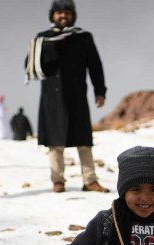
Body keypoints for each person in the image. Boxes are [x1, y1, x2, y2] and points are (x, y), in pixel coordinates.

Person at [25, 0, 109, 193]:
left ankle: (90, 180)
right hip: (52, 97)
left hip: (77, 94)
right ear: (52, 15)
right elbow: (30, 65)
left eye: (67, 13)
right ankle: (58, 181)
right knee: (55, 140)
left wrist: (100, 91)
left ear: (73, 16)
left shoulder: (83, 37)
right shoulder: (42, 39)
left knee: (84, 139)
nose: (63, 16)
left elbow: (95, 65)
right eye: (59, 13)